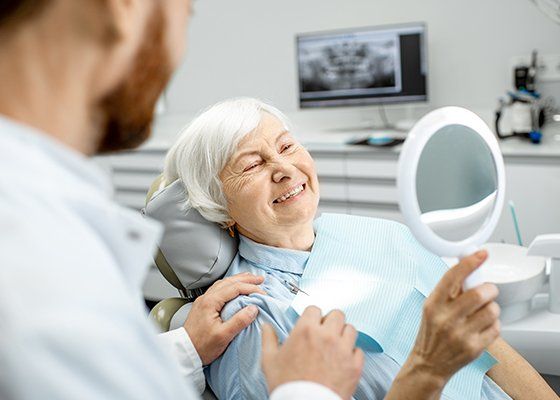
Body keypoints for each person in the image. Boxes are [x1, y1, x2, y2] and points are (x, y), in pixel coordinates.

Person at [0, 1, 363, 399]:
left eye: (288, 146)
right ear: (124, 8)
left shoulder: (42, 222)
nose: (284, 169)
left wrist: (186, 347)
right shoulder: (31, 258)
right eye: (185, 12)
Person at [163, 97, 558, 400]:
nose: (283, 169)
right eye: (251, 165)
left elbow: (487, 345)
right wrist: (428, 367)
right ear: (219, 206)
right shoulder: (250, 318)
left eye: (286, 147)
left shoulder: (380, 233)